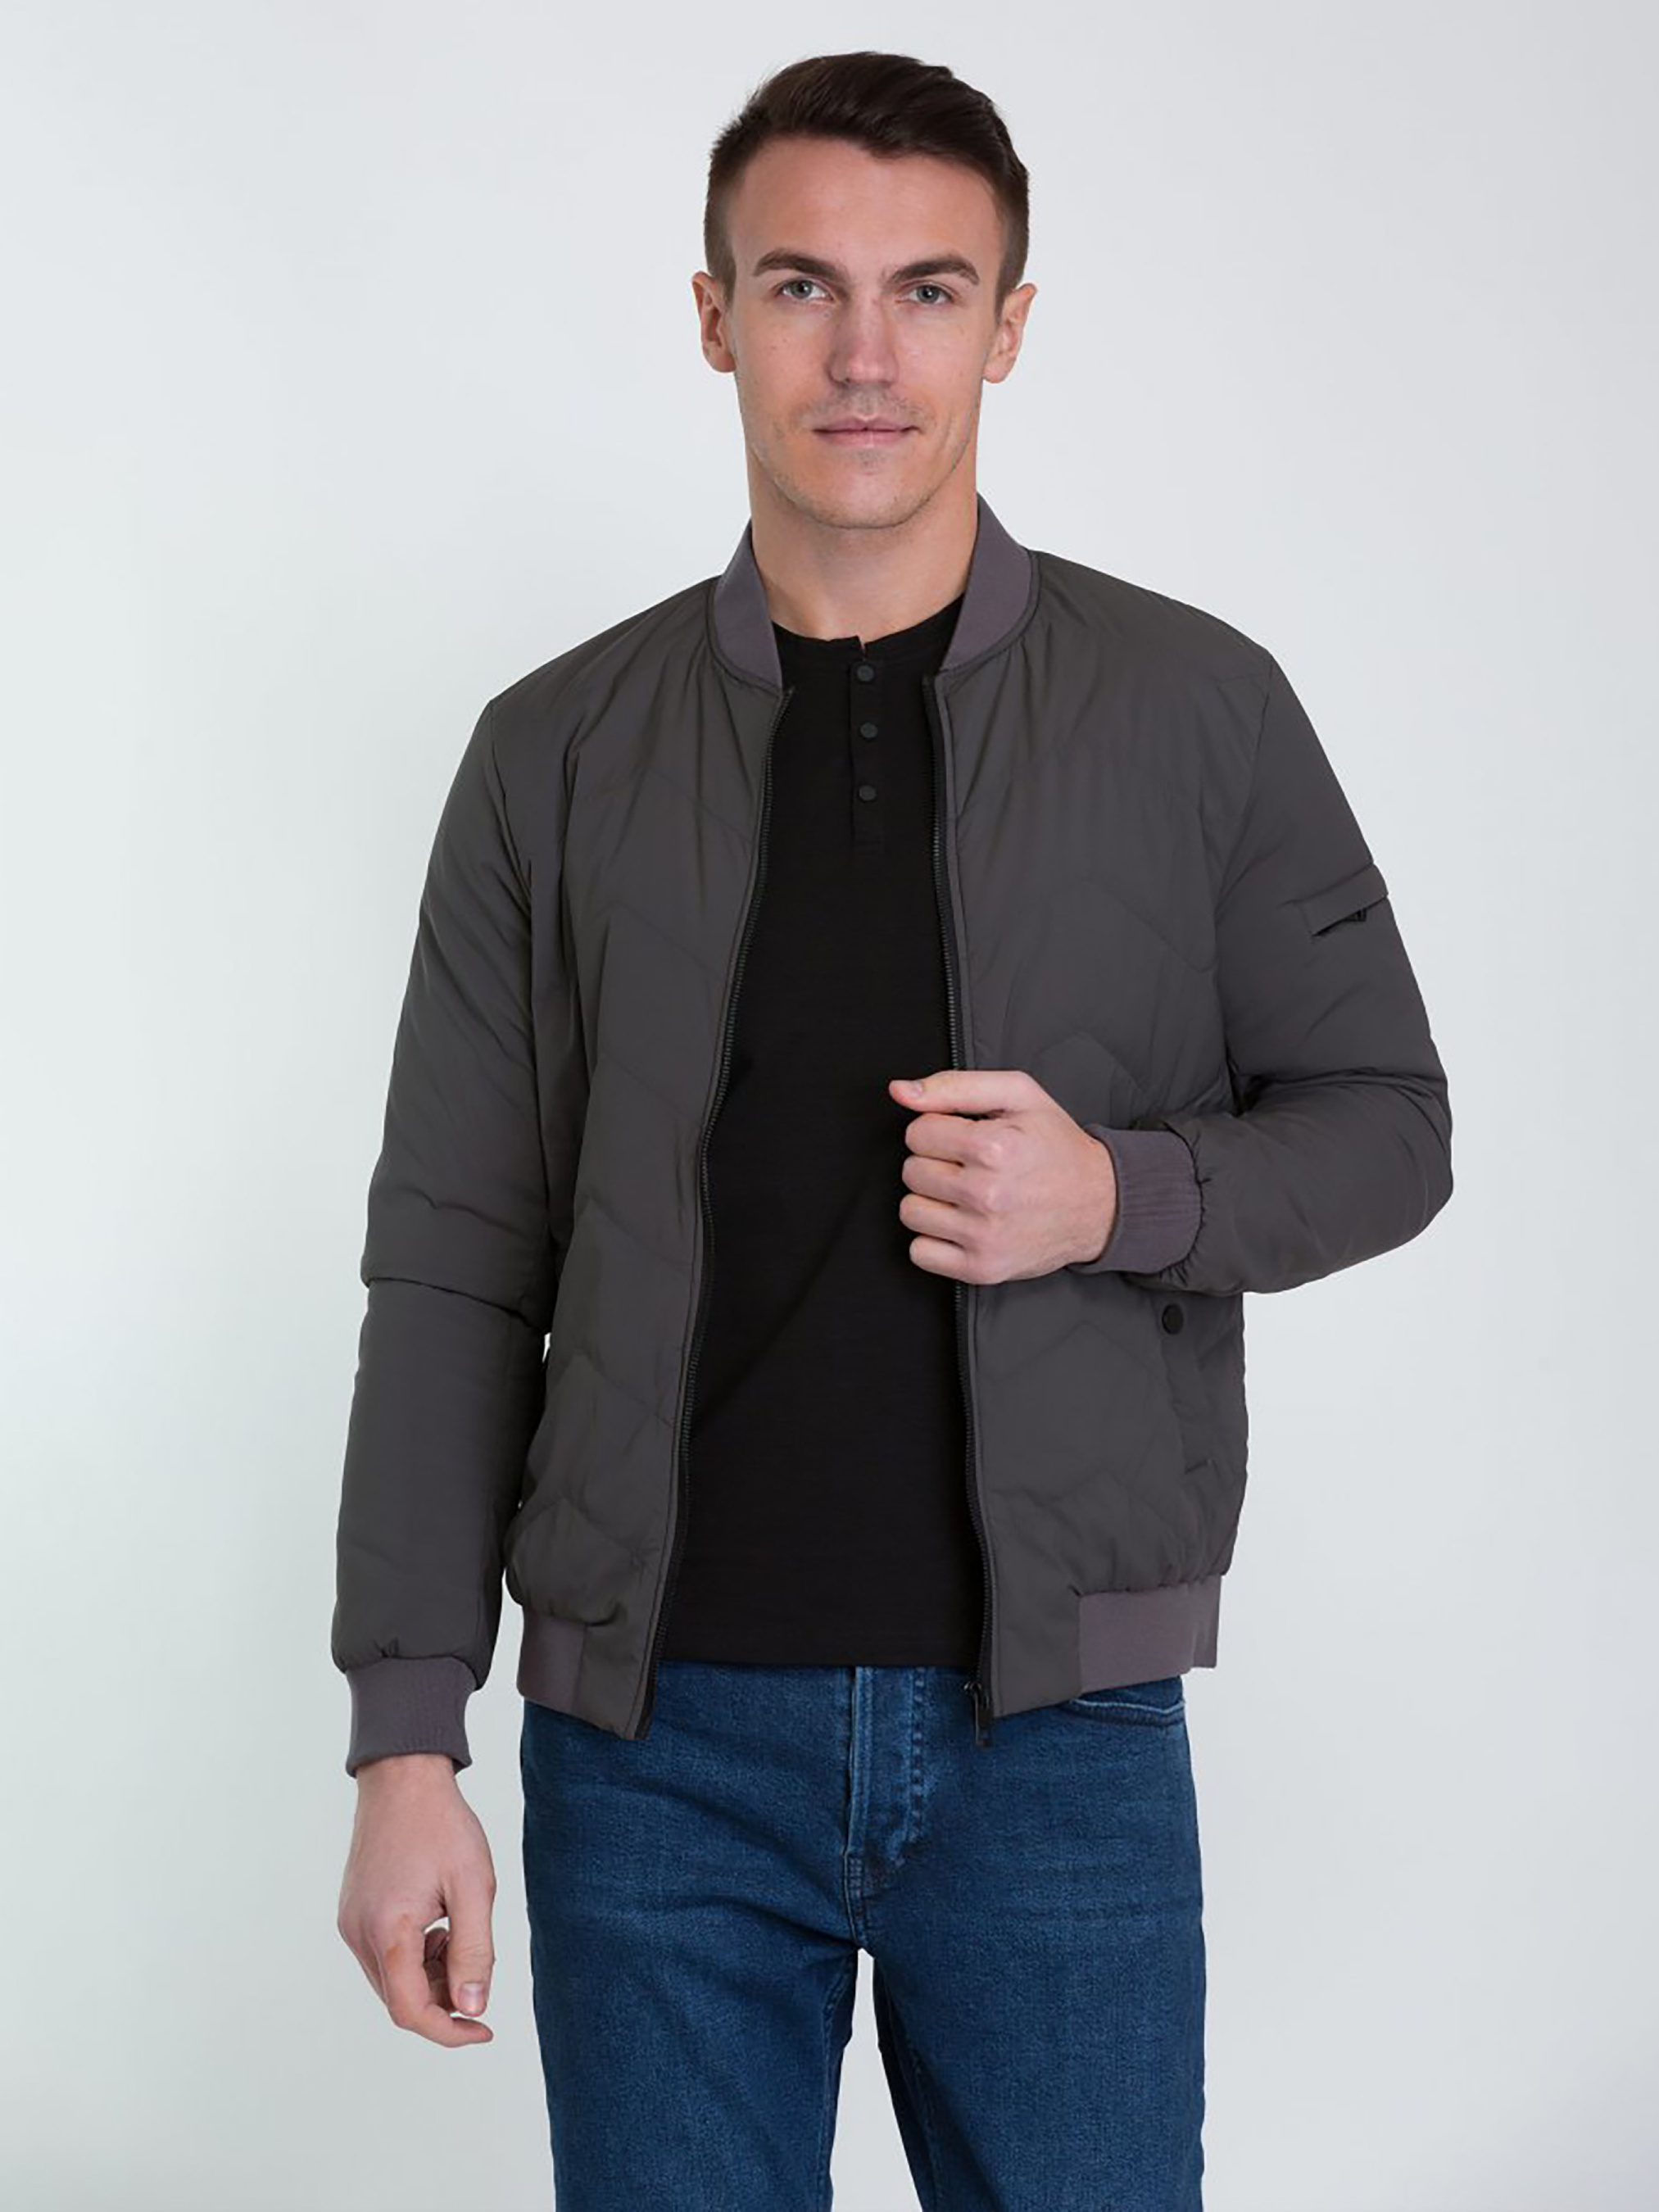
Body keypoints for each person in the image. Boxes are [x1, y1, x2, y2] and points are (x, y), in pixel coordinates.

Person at [333, 48, 1453, 2211]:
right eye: (802, 287)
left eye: (928, 291)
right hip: (649, 1755)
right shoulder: (552, 753)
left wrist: (1118, 1191)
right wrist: (405, 1736)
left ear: (1007, 325)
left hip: (1056, 1741)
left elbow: (1390, 1124)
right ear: (713, 315)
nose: (865, 355)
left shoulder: (1194, 712)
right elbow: (455, 1261)